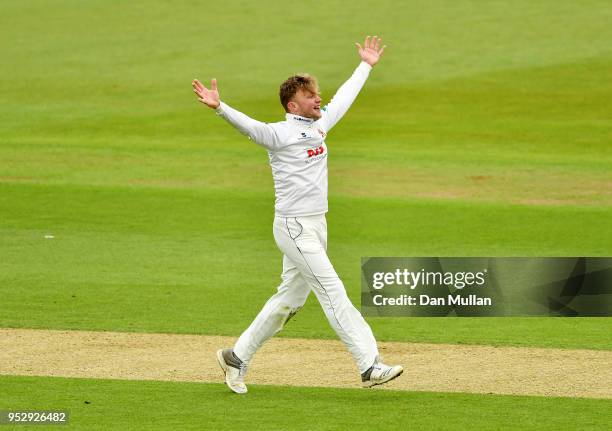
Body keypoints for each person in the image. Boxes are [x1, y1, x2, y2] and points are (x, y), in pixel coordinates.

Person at [192, 36, 402, 394]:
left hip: (317, 224)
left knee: (288, 301)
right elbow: (250, 127)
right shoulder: (279, 134)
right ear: (293, 104)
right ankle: (369, 365)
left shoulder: (319, 125)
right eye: (310, 96)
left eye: (317, 94)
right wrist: (220, 107)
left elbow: (345, 98)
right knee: (333, 292)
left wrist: (365, 65)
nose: (319, 99)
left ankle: (235, 357)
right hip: (293, 227)